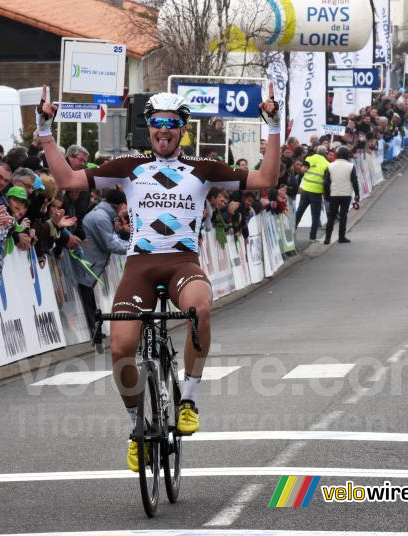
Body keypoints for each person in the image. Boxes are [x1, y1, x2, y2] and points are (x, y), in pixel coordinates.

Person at [39, 83, 280, 472]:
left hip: (183, 263)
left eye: (171, 123)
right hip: (140, 268)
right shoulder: (129, 166)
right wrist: (46, 131)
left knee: (199, 311)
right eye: (156, 123)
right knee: (120, 348)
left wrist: (272, 125)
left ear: (182, 128)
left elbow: (266, 179)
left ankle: (188, 401)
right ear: (148, 127)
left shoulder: (203, 169)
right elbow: (67, 181)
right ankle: (136, 429)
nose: (163, 129)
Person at [76, 189, 129, 332]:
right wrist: (133, 248)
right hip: (88, 260)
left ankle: (95, 327)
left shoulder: (103, 214)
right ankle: (93, 328)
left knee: (88, 291)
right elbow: (110, 244)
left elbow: (109, 239)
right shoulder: (101, 217)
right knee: (86, 291)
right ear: (119, 205)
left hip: (91, 260)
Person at [323, 146, 360, 245]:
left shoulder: (330, 166)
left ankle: (327, 238)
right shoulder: (350, 166)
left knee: (331, 216)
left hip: (334, 194)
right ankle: (341, 237)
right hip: (346, 194)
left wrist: (327, 195)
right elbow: (354, 181)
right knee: (343, 216)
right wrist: (357, 194)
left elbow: (326, 183)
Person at [294, 145, 328, 242]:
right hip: (316, 192)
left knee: (299, 212)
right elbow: (327, 180)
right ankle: (312, 237)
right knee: (315, 215)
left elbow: (303, 169)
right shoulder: (326, 163)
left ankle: (292, 232)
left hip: (305, 190)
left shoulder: (309, 158)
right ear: (325, 153)